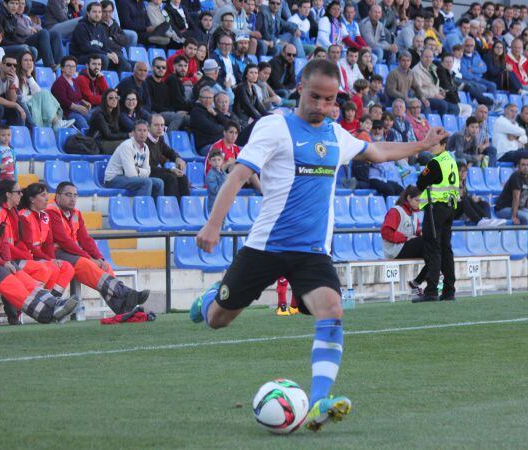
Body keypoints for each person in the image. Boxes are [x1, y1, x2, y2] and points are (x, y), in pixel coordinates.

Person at [188, 59, 448, 431]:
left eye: (329, 100)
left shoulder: (335, 134)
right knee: (218, 319)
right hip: (267, 246)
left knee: (332, 311)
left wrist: (421, 144)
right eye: (316, 97)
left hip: (312, 252)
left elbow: (376, 151)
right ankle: (210, 298)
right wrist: (213, 225)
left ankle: (320, 399)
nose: (322, 107)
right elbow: (240, 174)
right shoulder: (275, 127)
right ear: (299, 87)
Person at [0, 179, 79, 324]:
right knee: (11, 281)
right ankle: (46, 313)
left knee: (19, 275)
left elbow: (0, 241)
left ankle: (54, 303)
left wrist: (6, 261)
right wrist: (2, 262)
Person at [47, 181, 151, 313]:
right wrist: (89, 258)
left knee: (104, 265)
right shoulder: (51, 211)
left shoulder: (76, 213)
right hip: (56, 253)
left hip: (71, 253)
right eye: (68, 195)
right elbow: (64, 241)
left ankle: (123, 308)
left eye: (75, 195)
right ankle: (126, 294)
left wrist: (99, 258)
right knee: (85, 263)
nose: (72, 198)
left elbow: (85, 239)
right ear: (57, 196)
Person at [17, 181, 77, 307]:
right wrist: (49, 260)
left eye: (47, 195)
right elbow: (29, 245)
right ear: (32, 199)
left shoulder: (45, 216)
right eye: (43, 195)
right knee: (51, 268)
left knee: (67, 268)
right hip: (24, 257)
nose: (47, 199)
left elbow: (48, 244)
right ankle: (46, 304)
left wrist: (52, 259)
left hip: (39, 257)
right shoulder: (23, 216)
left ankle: (53, 301)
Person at [413, 136, 457, 303]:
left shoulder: (435, 162)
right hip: (449, 208)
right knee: (446, 249)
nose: (431, 147)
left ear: (444, 145)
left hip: (435, 208)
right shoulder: (451, 161)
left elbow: (420, 182)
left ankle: (431, 290)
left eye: (435, 144)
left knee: (433, 248)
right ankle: (449, 290)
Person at [380, 185, 426, 294]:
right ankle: (422, 281)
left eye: (420, 201)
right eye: (416, 200)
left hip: (406, 247)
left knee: (434, 250)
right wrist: (406, 238)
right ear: (409, 198)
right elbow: (386, 232)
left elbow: (416, 232)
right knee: (429, 244)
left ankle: (416, 283)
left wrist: (420, 233)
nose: (418, 203)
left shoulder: (414, 215)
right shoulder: (396, 211)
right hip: (395, 250)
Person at [104, 120, 164, 197]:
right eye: (139, 130)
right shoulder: (127, 146)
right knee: (146, 182)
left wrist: (138, 170)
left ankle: (153, 208)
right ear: (134, 133)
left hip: (129, 178)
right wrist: (141, 172)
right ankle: (142, 208)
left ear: (148, 133)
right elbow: (130, 174)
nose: (142, 133)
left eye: (145, 130)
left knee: (159, 183)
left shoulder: (146, 148)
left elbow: (148, 172)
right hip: (113, 179)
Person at [71, 2, 131, 72]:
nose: (97, 14)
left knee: (124, 63)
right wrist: (106, 54)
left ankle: (116, 81)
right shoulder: (81, 27)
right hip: (82, 56)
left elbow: (105, 46)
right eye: (94, 12)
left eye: (99, 12)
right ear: (88, 13)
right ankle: (99, 80)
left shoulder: (100, 28)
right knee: (103, 58)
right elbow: (86, 48)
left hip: (98, 55)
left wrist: (112, 53)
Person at [147, 114, 190, 199]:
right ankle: (170, 208)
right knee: (170, 178)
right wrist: (171, 170)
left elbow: (169, 152)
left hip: (155, 171)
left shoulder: (160, 139)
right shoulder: (144, 141)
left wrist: (178, 158)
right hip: (146, 172)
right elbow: (148, 168)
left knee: (182, 177)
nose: (160, 128)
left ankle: (184, 208)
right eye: (156, 125)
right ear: (149, 127)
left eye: (162, 125)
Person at [494, 156, 528, 226]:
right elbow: (516, 198)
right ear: (518, 166)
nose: (526, 167)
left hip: (519, 208)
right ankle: (527, 236)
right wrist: (514, 216)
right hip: (504, 208)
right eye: (523, 165)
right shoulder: (516, 176)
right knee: (527, 217)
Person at [147, 56, 187, 131]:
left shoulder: (165, 85)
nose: (161, 69)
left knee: (189, 120)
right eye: (158, 67)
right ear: (152, 68)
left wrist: (175, 111)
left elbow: (169, 104)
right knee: (178, 117)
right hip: (154, 113)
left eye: (164, 67)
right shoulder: (147, 83)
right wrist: (173, 112)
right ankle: (168, 138)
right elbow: (151, 105)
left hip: (166, 112)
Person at [51, 56, 90, 131]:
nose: (71, 68)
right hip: (67, 113)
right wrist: (77, 107)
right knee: (82, 122)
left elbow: (78, 97)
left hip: (78, 109)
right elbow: (63, 101)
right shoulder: (59, 83)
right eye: (68, 66)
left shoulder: (74, 81)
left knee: (94, 118)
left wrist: (84, 102)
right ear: (62, 68)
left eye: (73, 66)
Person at [89, 89, 128, 154]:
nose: (114, 100)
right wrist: (127, 135)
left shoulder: (114, 114)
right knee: (127, 145)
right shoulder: (98, 114)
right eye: (111, 98)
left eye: (116, 97)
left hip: (108, 142)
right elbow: (108, 135)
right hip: (98, 144)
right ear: (105, 100)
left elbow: (116, 132)